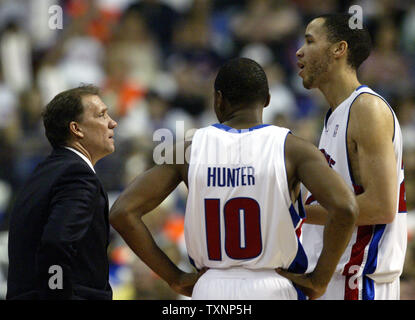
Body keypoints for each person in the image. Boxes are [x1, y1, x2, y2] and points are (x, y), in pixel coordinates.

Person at [109, 57, 358, 300]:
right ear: (267, 100)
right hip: (274, 285)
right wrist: (320, 280)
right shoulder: (294, 149)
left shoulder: (188, 149)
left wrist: (174, 277)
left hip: (210, 286)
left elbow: (122, 212)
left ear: (218, 99)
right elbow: (346, 208)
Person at [293, 13, 407, 300]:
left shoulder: (366, 109)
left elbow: (381, 206)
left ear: (338, 49)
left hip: (359, 283)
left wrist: (293, 212)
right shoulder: (335, 115)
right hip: (335, 279)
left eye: (309, 41)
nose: (299, 51)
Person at [7, 85, 118, 300]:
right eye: (102, 115)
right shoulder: (77, 175)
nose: (112, 122)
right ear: (77, 129)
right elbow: (56, 244)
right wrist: (58, 294)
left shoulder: (42, 173)